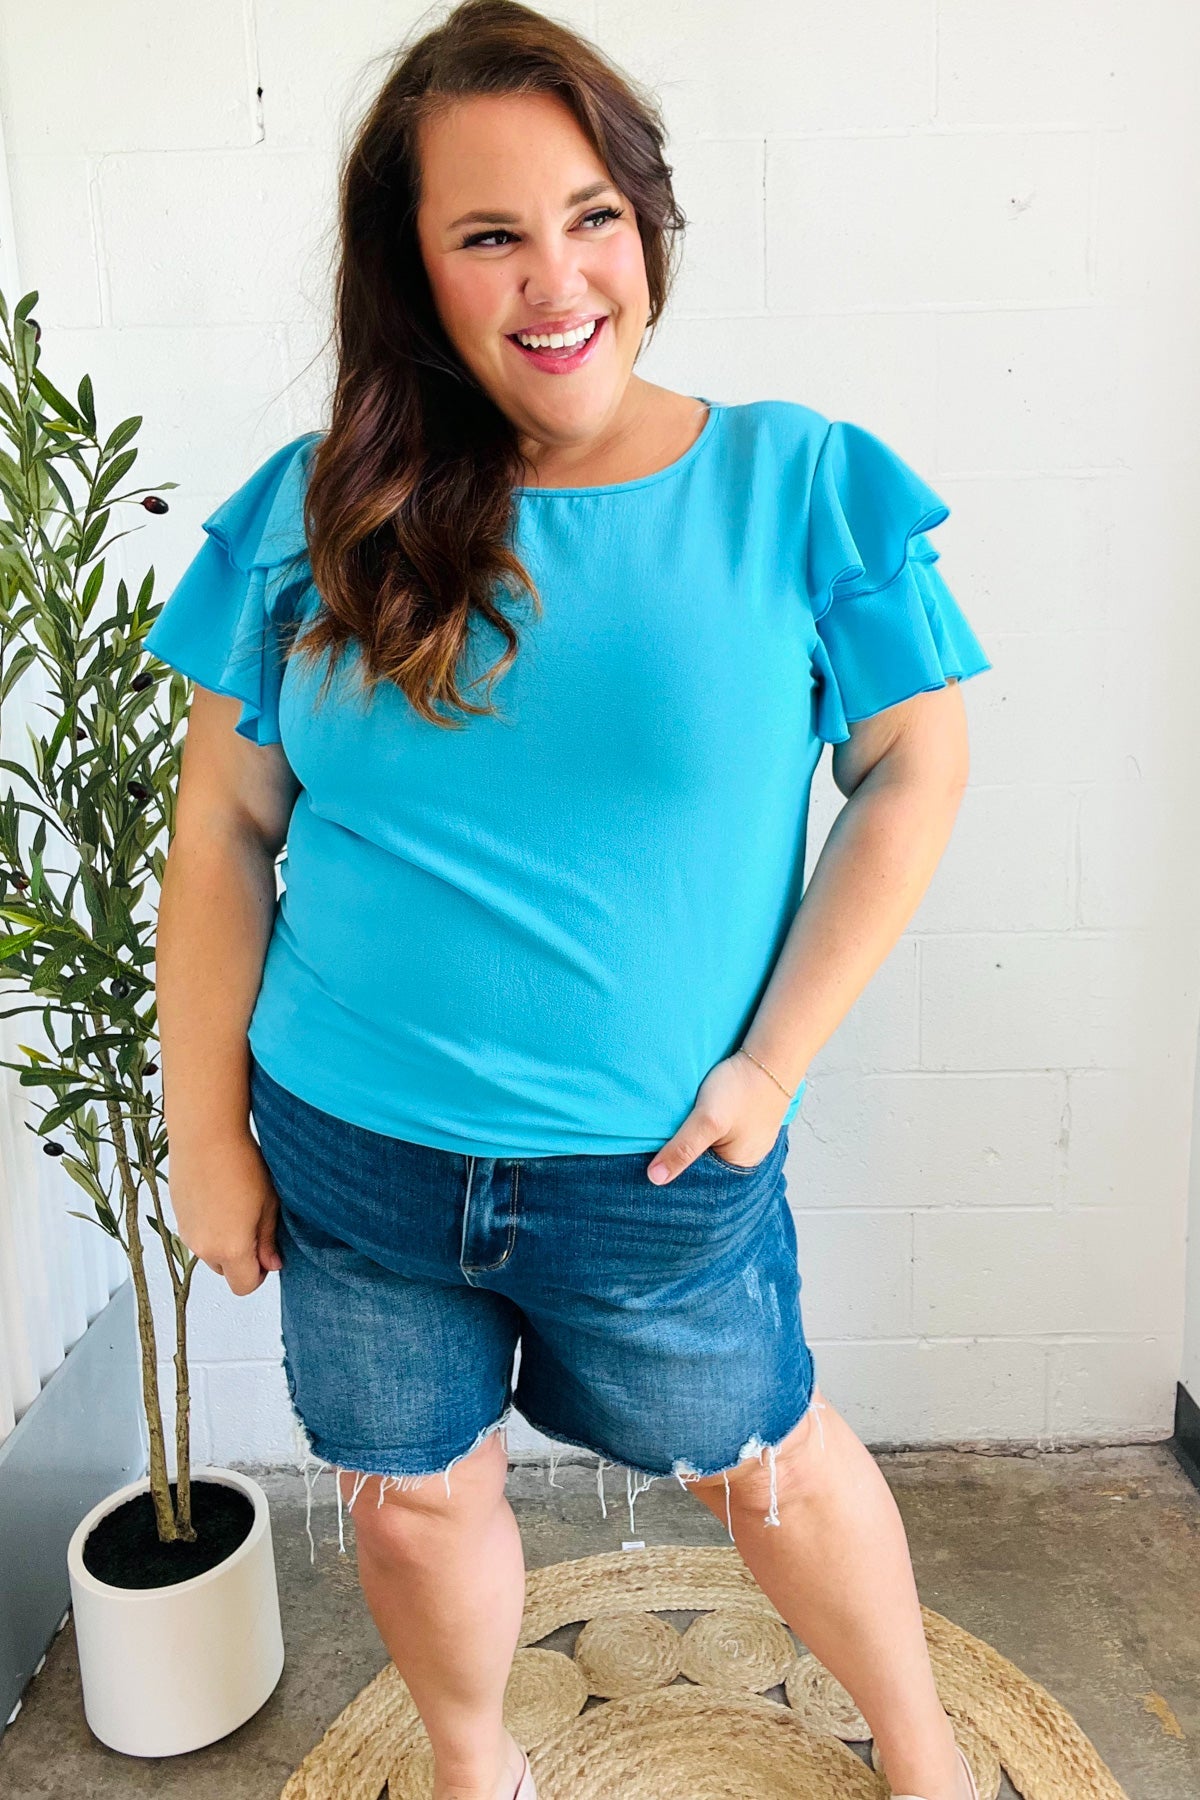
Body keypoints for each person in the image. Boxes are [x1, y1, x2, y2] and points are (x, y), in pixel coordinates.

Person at [146, 4, 991, 1798]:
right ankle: (476, 1764)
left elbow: (918, 771)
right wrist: (201, 1132)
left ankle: (917, 1750)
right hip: (354, 1158)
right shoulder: (323, 514)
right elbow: (220, 817)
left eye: (593, 213)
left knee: (772, 1463)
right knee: (414, 1500)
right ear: (417, 272)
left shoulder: (799, 486)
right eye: (489, 234)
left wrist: (770, 1069)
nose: (556, 278)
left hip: (662, 1177)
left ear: (651, 224)